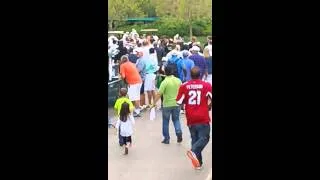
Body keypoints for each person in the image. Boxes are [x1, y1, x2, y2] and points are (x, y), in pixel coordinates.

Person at [176, 66, 212, 170]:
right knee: (205, 138)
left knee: (195, 138)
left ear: (190, 75)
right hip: (203, 116)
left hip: (191, 117)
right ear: (200, 75)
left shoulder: (184, 86)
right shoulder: (206, 85)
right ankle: (193, 151)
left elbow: (178, 102)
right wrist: (209, 106)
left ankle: (198, 163)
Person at [152, 65, 183, 144]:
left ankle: (166, 138)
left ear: (165, 72)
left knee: (166, 121)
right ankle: (178, 132)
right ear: (172, 71)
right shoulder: (178, 80)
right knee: (176, 120)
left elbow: (159, 94)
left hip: (167, 104)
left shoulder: (164, 82)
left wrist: (153, 103)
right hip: (177, 103)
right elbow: (182, 91)